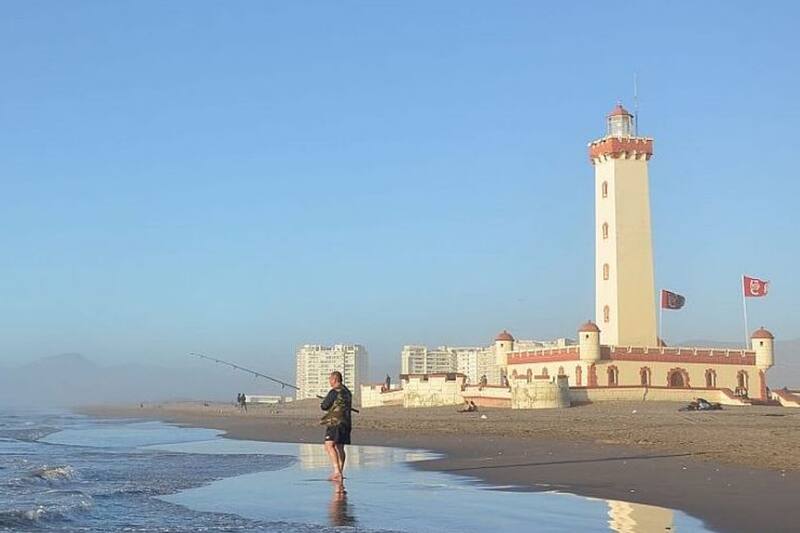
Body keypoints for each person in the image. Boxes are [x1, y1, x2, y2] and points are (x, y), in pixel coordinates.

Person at [320, 370, 352, 483]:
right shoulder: (347, 392)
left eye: (330, 379)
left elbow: (324, 406)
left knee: (329, 445)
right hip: (346, 423)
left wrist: (325, 403)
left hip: (335, 422)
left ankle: (337, 472)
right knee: (340, 447)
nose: (329, 381)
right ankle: (340, 472)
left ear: (334, 379)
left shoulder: (334, 392)